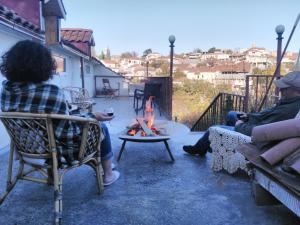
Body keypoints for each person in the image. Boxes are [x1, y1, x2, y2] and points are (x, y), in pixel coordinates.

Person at [0, 40, 119, 186]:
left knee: (60, 128)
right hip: (57, 153)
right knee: (101, 127)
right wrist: (93, 117)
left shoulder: (6, 91)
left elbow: (54, 120)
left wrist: (81, 116)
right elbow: (67, 132)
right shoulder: (51, 92)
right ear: (43, 65)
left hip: (25, 149)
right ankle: (108, 174)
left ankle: (52, 176)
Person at [183, 71, 300, 156]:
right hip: (255, 123)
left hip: (254, 135)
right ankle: (221, 143)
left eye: (285, 88)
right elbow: (266, 115)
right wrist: (249, 116)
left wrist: (240, 126)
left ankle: (203, 147)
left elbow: (264, 131)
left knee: (213, 129)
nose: (280, 90)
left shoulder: (288, 110)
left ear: (297, 91)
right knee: (232, 114)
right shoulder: (288, 101)